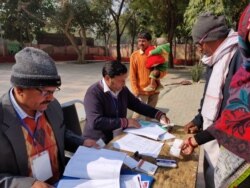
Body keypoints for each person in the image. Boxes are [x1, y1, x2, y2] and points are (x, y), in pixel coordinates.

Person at [0, 47, 98, 188]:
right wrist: (29, 185)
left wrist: (81, 142)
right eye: (45, 92)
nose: (51, 98)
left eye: (53, 91)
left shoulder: (52, 106)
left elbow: (61, 133)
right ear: (19, 89)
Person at [182, 5, 250, 188]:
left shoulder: (239, 58)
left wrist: (200, 138)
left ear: (211, 38)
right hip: (211, 134)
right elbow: (209, 96)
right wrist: (198, 120)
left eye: (199, 43)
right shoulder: (214, 59)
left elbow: (236, 114)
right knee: (212, 177)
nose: (199, 48)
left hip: (231, 146)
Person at [83, 61, 170, 144]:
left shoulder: (122, 90)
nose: (124, 84)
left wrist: (158, 114)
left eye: (125, 80)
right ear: (107, 78)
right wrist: (126, 122)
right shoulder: (93, 93)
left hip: (119, 136)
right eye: (121, 80)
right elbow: (96, 122)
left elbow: (137, 105)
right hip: (98, 142)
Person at [130, 31, 167, 119]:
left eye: (143, 41)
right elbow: (132, 75)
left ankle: (147, 131)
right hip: (141, 91)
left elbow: (164, 71)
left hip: (155, 91)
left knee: (150, 115)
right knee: (137, 115)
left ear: (149, 42)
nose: (141, 43)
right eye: (139, 41)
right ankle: (130, 129)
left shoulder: (157, 53)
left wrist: (157, 74)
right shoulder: (134, 56)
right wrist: (135, 90)